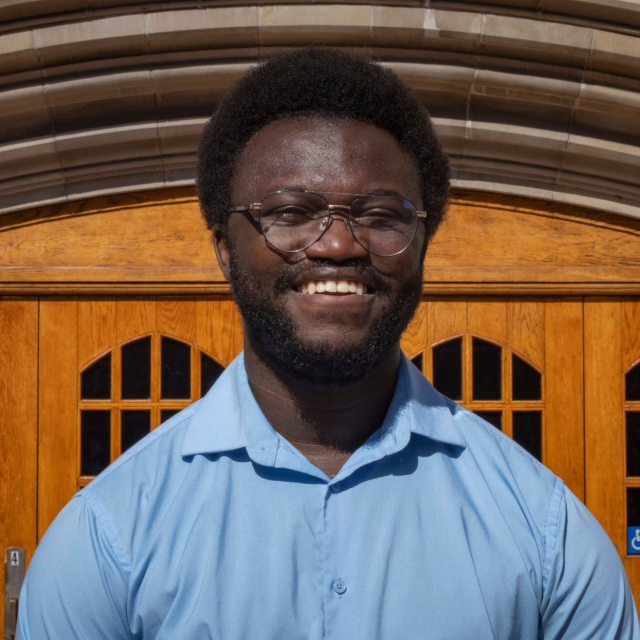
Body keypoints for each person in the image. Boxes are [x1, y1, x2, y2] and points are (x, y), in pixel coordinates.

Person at [17, 47, 639, 639]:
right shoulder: (110, 534)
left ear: (423, 246)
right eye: (290, 212)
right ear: (224, 251)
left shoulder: (545, 528)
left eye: (380, 215)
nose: (338, 245)